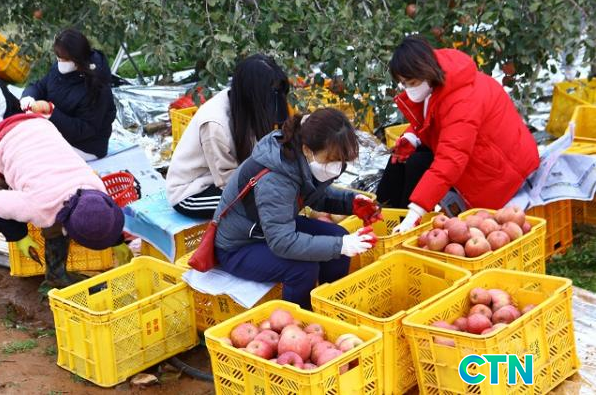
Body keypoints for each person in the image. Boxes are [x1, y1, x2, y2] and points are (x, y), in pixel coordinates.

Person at [0, 114, 133, 320]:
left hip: (39, 133)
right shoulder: (38, 204)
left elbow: (99, 217)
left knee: (58, 215)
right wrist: (18, 236)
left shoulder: (96, 188)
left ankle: (56, 274)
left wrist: (116, 241)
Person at [213, 108, 381, 309]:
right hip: (239, 246)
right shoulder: (275, 179)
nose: (337, 167)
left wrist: (350, 202)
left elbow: (313, 195)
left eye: (341, 161)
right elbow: (282, 242)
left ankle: (329, 306)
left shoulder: (301, 159)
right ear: (307, 150)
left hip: (268, 228)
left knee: (338, 237)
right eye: (332, 160)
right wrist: (340, 246)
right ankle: (301, 319)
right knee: (303, 268)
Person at [379, 36, 540, 233]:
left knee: (418, 165)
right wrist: (411, 137)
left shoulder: (462, 101)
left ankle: (403, 225)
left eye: (411, 82)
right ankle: (381, 214)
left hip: (506, 172)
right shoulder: (441, 78)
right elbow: (433, 118)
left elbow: (450, 160)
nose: (408, 89)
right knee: (401, 160)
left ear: (425, 71)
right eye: (404, 84)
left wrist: (416, 211)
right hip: (484, 154)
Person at [166, 54, 290, 219]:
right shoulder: (215, 124)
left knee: (278, 192)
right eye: (271, 93)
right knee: (267, 201)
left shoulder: (243, 102)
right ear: (253, 93)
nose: (273, 99)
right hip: (193, 191)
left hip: (224, 178)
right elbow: (228, 183)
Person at [19, 29, 116, 160]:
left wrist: (51, 113)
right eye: (58, 58)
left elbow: (84, 129)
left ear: (77, 58)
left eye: (64, 59)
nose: (60, 62)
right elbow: (39, 86)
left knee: (36, 158)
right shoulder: (60, 69)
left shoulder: (97, 86)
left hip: (85, 146)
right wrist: (28, 97)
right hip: (57, 134)